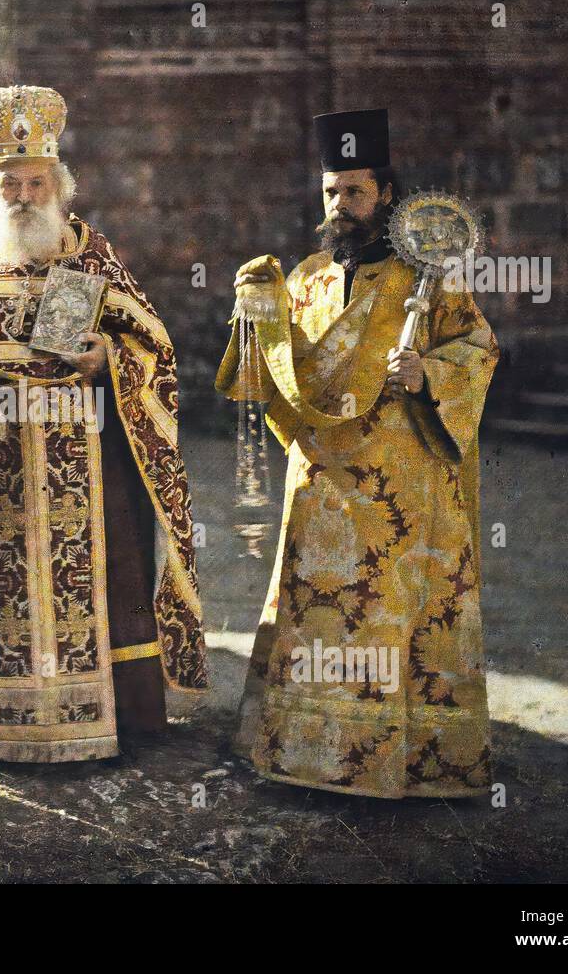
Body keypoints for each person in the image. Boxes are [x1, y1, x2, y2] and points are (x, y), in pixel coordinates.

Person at [0, 85, 207, 762]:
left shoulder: (92, 255)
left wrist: (108, 358)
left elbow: (155, 348)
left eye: (36, 181)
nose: (25, 194)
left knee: (107, 582)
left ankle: (117, 722)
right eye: (11, 183)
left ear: (58, 183)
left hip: (90, 465)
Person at [217, 108, 500, 798]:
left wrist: (427, 374)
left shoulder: (427, 277)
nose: (341, 206)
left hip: (398, 491)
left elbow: (479, 349)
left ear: (386, 194)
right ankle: (306, 753)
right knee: (315, 619)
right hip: (319, 484)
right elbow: (268, 381)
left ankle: (389, 760)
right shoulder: (308, 277)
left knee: (386, 617)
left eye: (355, 192)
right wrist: (251, 313)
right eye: (331, 192)